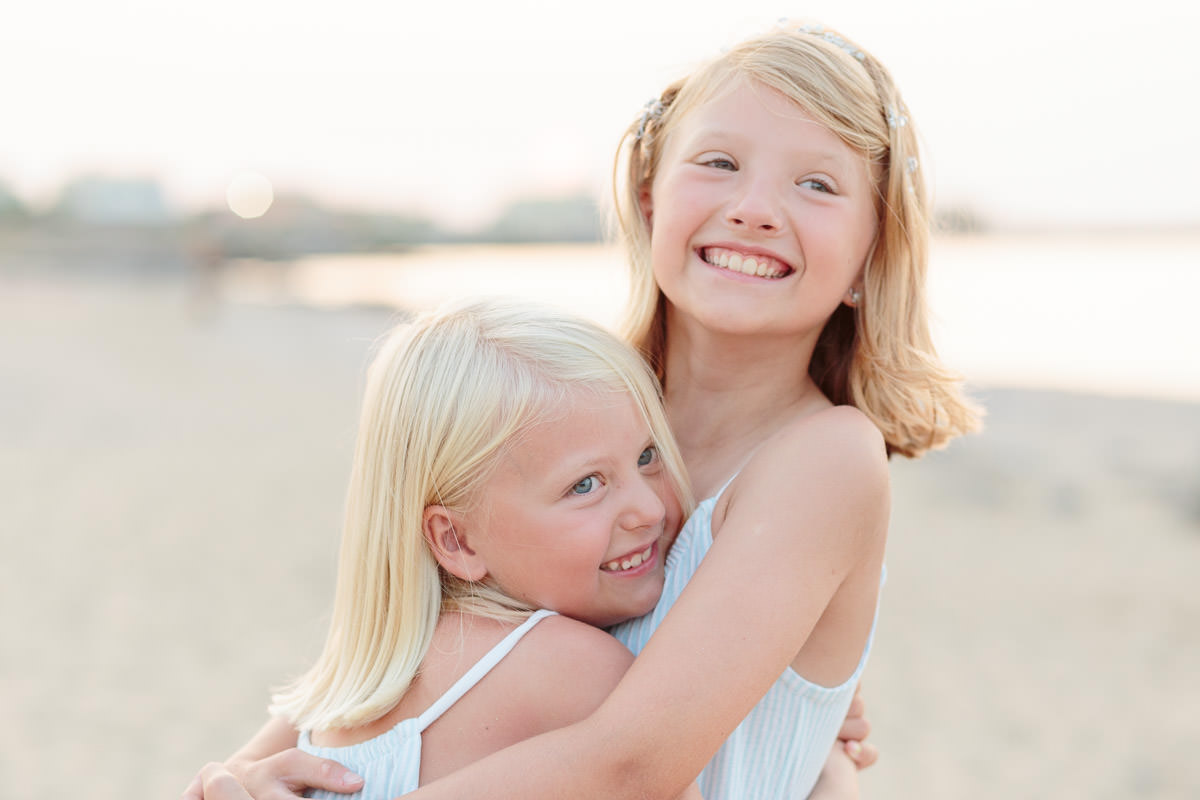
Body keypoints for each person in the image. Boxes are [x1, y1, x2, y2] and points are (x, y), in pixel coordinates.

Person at [187, 19, 980, 799]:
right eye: (719, 161)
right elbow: (396, 633)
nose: (755, 208)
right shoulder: (566, 405)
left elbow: (632, 766)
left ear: (872, 257)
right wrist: (243, 771)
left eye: (816, 183)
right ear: (647, 197)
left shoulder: (826, 457)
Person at [188, 297, 704, 799]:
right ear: (456, 540)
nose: (651, 510)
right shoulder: (572, 669)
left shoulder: (335, 698)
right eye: (586, 485)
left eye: (647, 455)